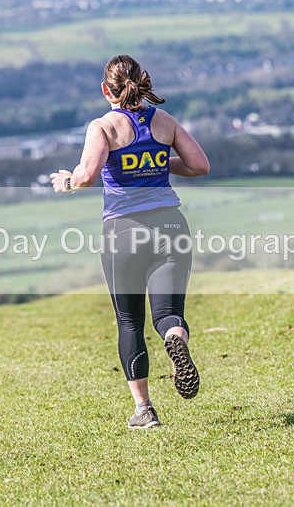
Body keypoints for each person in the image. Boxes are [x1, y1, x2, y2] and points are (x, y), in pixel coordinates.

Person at [50, 54, 210, 429]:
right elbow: (200, 165)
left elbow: (88, 175)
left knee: (129, 321)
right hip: (171, 226)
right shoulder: (164, 122)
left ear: (106, 90)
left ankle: (144, 410)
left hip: (123, 232)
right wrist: (157, 160)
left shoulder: (103, 126)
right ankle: (174, 336)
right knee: (167, 313)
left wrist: (67, 182)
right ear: (144, 84)